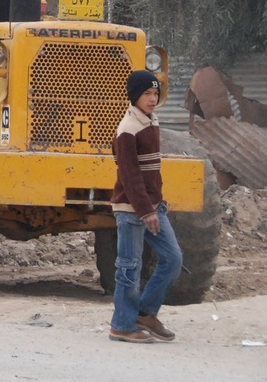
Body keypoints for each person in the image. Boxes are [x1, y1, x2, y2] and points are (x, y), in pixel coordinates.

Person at [108, 69, 183, 343]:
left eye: (155, 93)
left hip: (153, 206)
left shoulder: (151, 120)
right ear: (134, 96)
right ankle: (122, 325)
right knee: (129, 268)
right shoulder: (127, 129)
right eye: (146, 94)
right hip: (131, 210)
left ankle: (146, 312)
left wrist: (156, 204)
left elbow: (151, 170)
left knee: (173, 259)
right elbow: (129, 176)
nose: (152, 99)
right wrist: (146, 211)